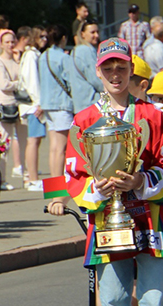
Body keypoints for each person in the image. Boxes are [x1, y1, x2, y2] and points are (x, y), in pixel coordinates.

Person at [51, 37, 163, 306]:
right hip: (108, 222)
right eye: (108, 67)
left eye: (121, 67)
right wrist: (99, 187)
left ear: (131, 70)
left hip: (152, 221)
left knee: (156, 300)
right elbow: (74, 175)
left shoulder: (152, 116)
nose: (115, 74)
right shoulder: (84, 121)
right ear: (98, 71)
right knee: (114, 303)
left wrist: (140, 182)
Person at [37, 25, 74, 183]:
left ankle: (54, 184)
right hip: (61, 104)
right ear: (63, 38)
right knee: (61, 148)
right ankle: (58, 185)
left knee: (53, 147)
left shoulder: (42, 55)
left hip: (47, 104)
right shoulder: (64, 57)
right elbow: (70, 80)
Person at [0, 29, 26, 191]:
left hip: (21, 104)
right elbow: (4, 84)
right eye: (7, 42)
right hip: (6, 105)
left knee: (25, 142)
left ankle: (27, 176)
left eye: (13, 41)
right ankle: (1, 179)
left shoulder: (18, 61)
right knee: (5, 144)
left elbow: (24, 77)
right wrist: (19, 84)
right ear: (1, 44)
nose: (11, 45)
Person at [18, 27, 45, 192]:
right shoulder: (31, 55)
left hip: (33, 104)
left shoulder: (33, 54)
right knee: (33, 140)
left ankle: (31, 176)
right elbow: (32, 80)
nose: (44, 39)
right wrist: (39, 102)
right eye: (41, 36)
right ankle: (32, 179)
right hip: (33, 105)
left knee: (35, 140)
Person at [69, 19, 105, 113]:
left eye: (97, 32)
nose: (96, 35)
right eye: (92, 32)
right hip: (90, 103)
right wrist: (108, 89)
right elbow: (96, 78)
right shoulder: (86, 51)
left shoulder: (75, 51)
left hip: (79, 104)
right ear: (83, 34)